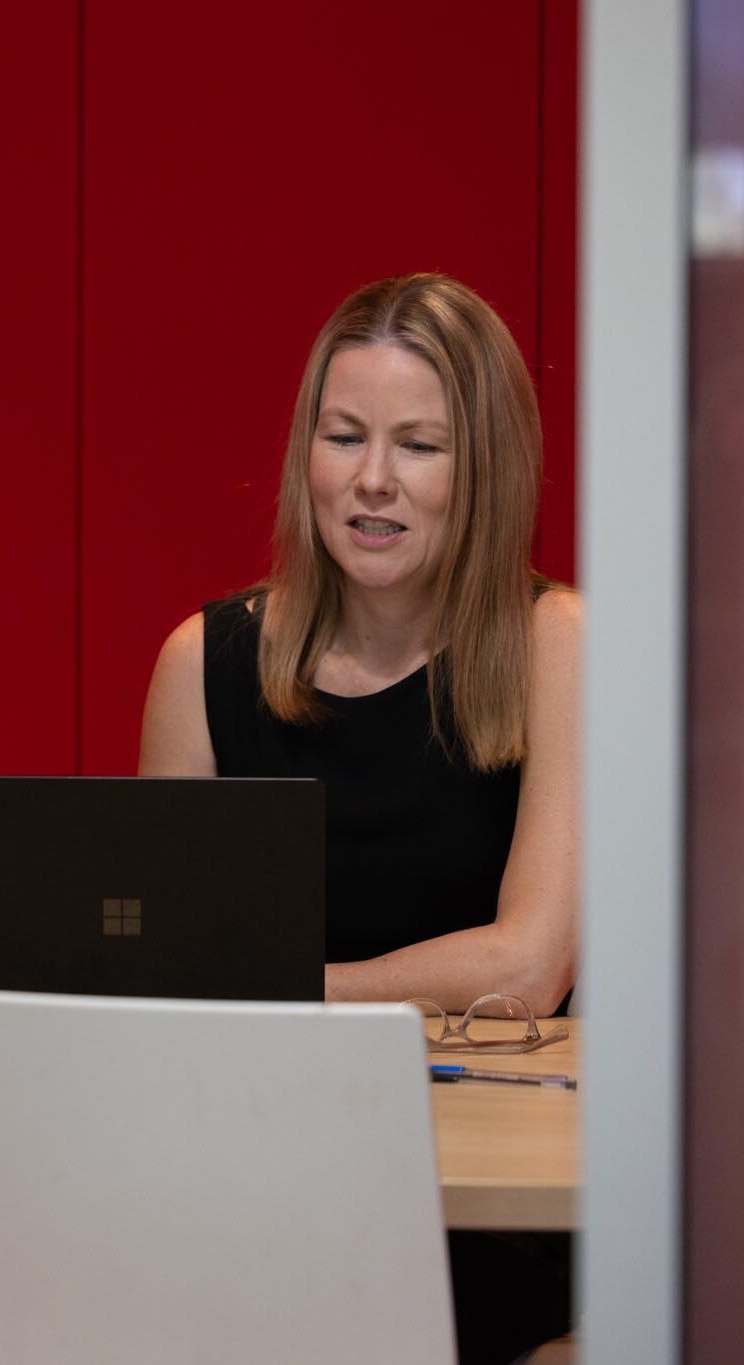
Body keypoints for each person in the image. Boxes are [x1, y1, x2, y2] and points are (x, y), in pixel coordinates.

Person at [137, 274, 579, 1362]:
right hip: (252, 1150)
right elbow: (154, 963)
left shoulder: (559, 645)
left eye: (419, 447)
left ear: (484, 469)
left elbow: (527, 968)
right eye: (345, 436)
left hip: (483, 1182)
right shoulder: (203, 662)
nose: (373, 482)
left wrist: (284, 990)